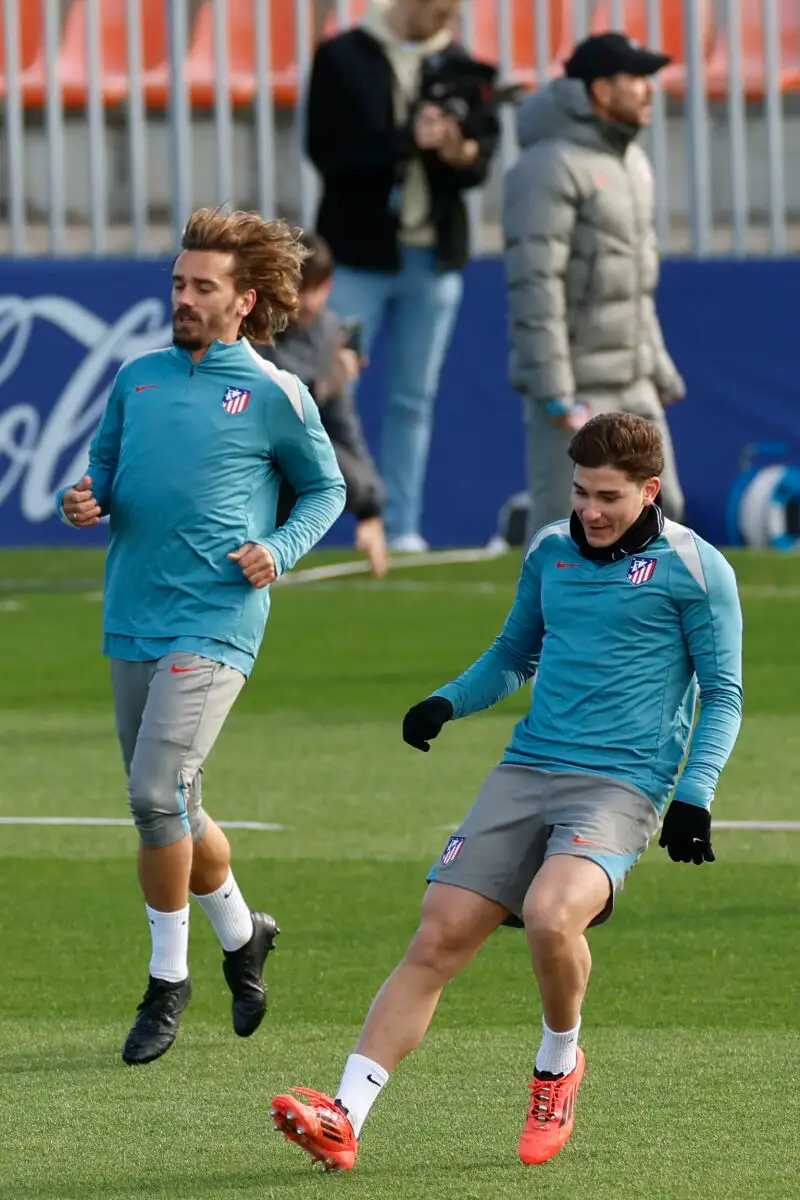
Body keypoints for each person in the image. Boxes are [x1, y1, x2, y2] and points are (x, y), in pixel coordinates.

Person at [269, 411, 743, 1171]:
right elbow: (514, 653)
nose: (589, 511)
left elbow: (723, 693)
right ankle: (343, 1115)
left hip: (621, 785)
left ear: (651, 490)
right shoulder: (552, 548)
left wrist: (696, 796)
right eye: (581, 492)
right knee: (438, 931)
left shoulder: (698, 569)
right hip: (528, 769)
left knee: (554, 918)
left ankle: (558, 1066)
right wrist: (447, 701)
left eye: (609, 498)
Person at [57, 207, 346, 1066]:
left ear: (244, 300)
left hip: (217, 616)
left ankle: (166, 982)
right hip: (132, 612)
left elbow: (324, 491)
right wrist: (85, 497)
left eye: (202, 287)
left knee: (153, 795)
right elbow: (102, 473)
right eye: (178, 283)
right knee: (177, 801)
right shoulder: (137, 378)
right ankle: (243, 935)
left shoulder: (273, 392)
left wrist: (279, 548)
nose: (183, 298)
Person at [306, 0, 500, 552]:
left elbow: (479, 163)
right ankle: (312, 521)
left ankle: (400, 527)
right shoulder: (342, 57)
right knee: (326, 390)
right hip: (357, 257)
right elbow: (326, 153)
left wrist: (458, 150)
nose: (448, 23)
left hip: (434, 258)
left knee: (414, 400)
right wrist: (406, 139)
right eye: (439, 12)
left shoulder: (459, 61)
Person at [503, 32, 686, 539]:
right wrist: (557, 393)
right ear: (601, 91)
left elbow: (634, 283)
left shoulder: (632, 164)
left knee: (664, 521)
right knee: (568, 536)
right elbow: (536, 288)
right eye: (636, 79)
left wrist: (657, 367)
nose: (649, 90)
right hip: (578, 388)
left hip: (634, 380)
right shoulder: (547, 167)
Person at [258, 232, 390, 579]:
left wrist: (371, 512)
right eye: (301, 289)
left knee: (323, 455)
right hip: (246, 466)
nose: (309, 301)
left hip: (286, 469)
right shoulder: (254, 325)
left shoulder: (329, 329)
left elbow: (344, 430)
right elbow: (265, 412)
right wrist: (324, 384)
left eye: (318, 289)